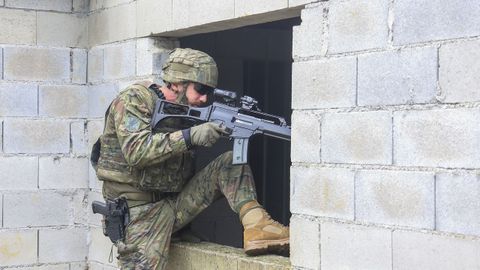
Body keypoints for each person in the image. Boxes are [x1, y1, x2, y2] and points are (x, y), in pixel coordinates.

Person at [95, 48, 289, 269]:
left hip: (173, 206)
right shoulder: (134, 99)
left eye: (209, 91)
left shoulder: (183, 110)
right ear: (177, 83)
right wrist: (190, 136)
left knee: (229, 163)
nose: (204, 98)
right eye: (200, 89)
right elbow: (137, 152)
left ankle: (259, 227)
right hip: (139, 214)